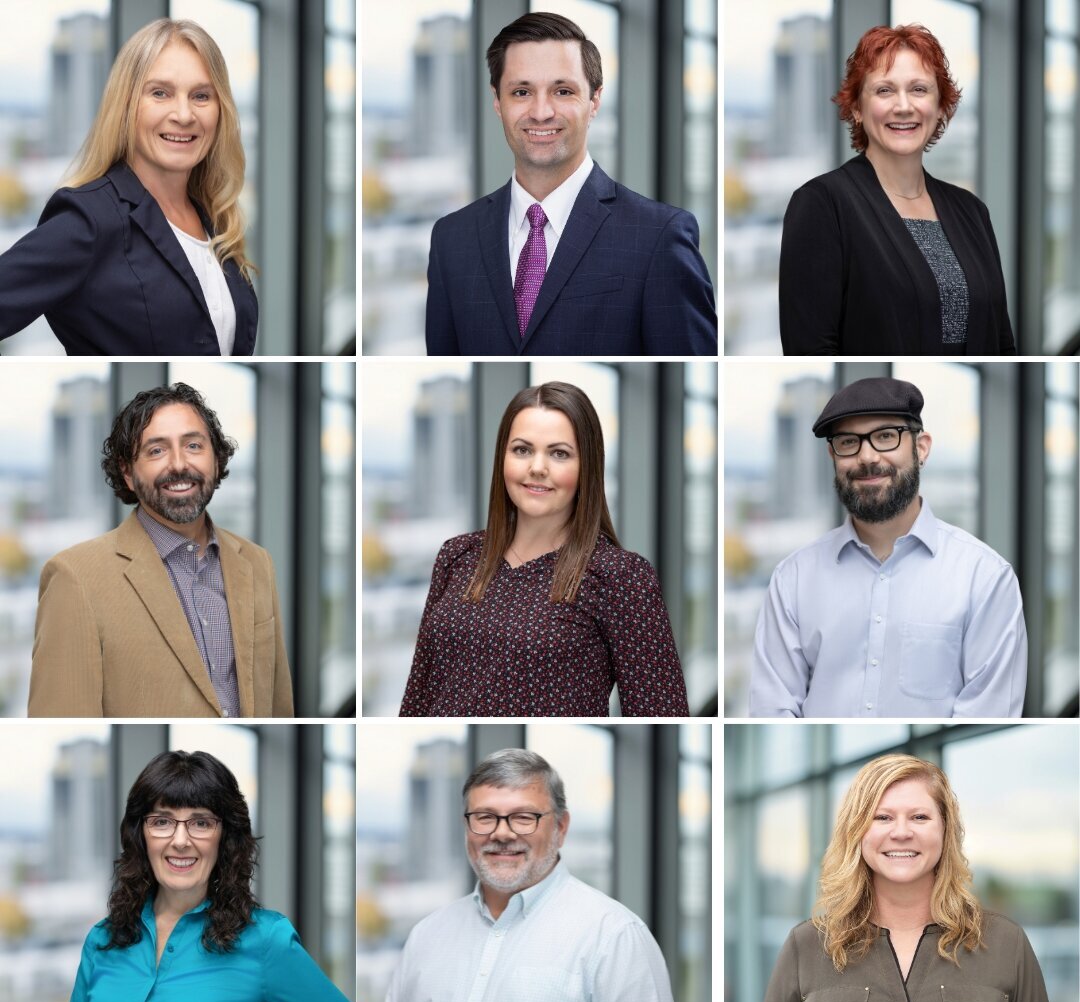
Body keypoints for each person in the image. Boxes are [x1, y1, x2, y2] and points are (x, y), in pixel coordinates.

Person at [369, 749, 682, 1002]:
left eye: (523, 817)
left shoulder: (615, 938)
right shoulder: (427, 935)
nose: (502, 833)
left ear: (561, 827)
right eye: (484, 817)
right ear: (466, 826)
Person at [749, 754, 1063, 1002]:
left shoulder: (1005, 945)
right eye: (882, 817)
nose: (901, 832)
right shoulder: (806, 948)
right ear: (857, 830)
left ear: (945, 829)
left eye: (919, 817)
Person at [425, 12, 717, 356]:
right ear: (497, 101)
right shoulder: (452, 238)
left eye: (562, 91)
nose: (541, 111)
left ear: (594, 101)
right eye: (521, 91)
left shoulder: (659, 236)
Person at [58, 750, 355, 1002]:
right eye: (162, 821)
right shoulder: (103, 939)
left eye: (201, 822)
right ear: (140, 835)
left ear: (225, 836)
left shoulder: (266, 943)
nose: (180, 840)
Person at [400, 381, 689, 716]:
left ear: (587, 467)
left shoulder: (620, 576)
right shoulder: (457, 556)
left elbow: (662, 715)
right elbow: (417, 697)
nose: (537, 467)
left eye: (559, 453)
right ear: (502, 459)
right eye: (522, 450)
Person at [749, 377, 1026, 717]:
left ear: (921, 448)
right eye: (849, 442)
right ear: (832, 455)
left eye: (885, 437)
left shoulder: (985, 578)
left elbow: (988, 715)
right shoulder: (792, 579)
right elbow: (773, 711)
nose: (867, 456)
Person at [28, 382, 292, 717]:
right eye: (156, 450)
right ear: (127, 472)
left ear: (215, 457)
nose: (179, 464)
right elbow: (59, 716)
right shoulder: (74, 578)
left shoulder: (257, 562)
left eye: (194, 445)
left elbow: (280, 709)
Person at [0, 19, 257, 355]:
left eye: (201, 96)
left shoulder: (214, 217)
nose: (184, 113)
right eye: (160, 93)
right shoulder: (89, 220)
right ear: (127, 105)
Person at [779, 24, 1014, 356]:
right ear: (857, 108)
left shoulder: (972, 211)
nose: (904, 106)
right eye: (885, 90)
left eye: (919, 89)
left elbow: (1003, 342)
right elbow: (809, 346)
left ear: (940, 104)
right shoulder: (823, 205)